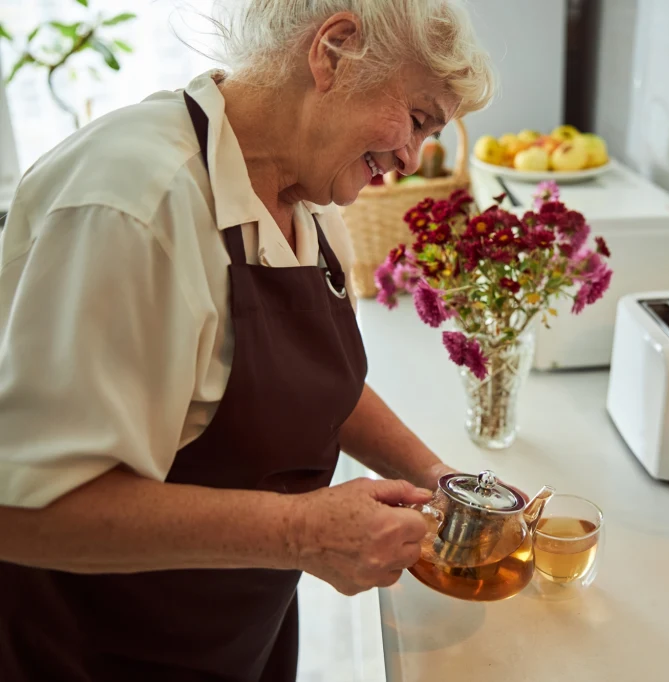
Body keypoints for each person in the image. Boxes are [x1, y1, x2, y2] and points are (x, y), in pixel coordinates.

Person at [0, 1, 496, 680]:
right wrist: (300, 534)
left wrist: (433, 475)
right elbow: (26, 505)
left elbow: (302, 385)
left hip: (236, 637)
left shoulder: (311, 198)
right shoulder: (135, 204)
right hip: (96, 653)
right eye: (416, 120)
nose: (412, 158)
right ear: (335, 50)